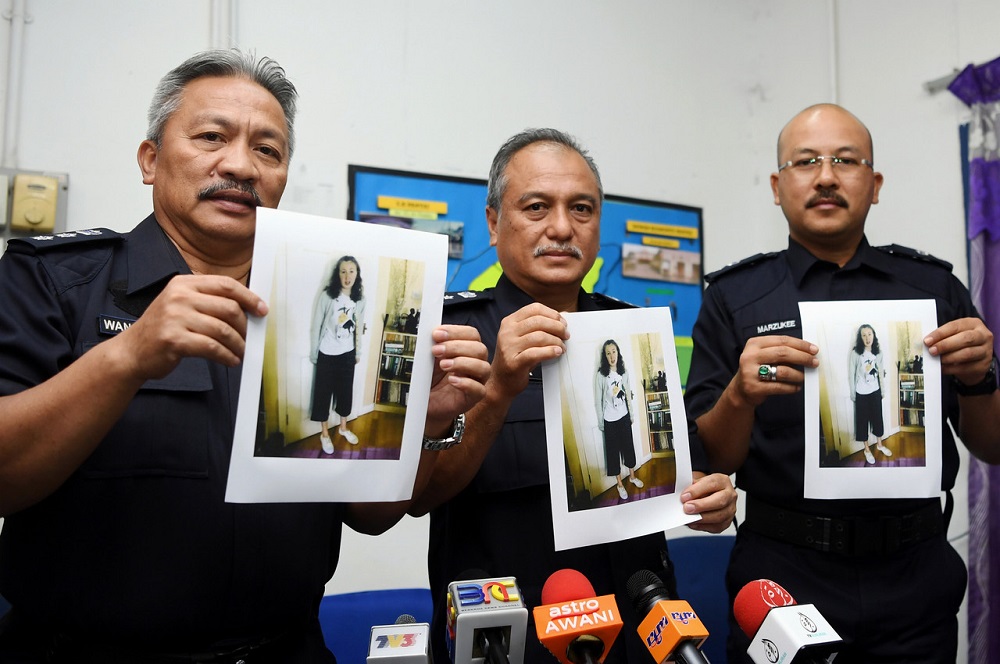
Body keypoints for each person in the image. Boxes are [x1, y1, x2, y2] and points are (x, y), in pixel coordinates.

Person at [0, 49, 490, 662]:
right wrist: (124, 357)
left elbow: (368, 514)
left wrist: (425, 418)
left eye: (267, 150)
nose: (239, 165)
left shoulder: (325, 304)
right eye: (211, 137)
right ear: (150, 159)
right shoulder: (55, 283)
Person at [684, 103, 1000, 662]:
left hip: (915, 578)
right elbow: (710, 457)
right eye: (806, 162)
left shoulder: (933, 289)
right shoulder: (733, 298)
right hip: (783, 574)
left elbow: (993, 446)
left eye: (845, 161)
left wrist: (980, 377)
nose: (826, 176)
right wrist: (739, 394)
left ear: (874, 185)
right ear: (778, 187)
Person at [409, 128, 738, 663]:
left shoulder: (636, 333)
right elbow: (417, 498)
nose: (562, 227)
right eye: (537, 207)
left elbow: (682, 474)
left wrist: (708, 498)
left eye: (581, 209)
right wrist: (496, 390)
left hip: (641, 629)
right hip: (505, 636)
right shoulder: (450, 338)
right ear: (493, 223)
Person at [311, 255, 366, 451]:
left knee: (345, 393)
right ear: (338, 274)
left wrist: (357, 351)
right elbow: (317, 324)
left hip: (347, 354)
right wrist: (314, 352)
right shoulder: (328, 296)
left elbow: (359, 327)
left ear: (357, 275)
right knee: (323, 394)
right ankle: (324, 433)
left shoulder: (359, 299)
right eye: (343, 271)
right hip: (327, 351)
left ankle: (343, 428)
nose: (347, 275)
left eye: (351, 271)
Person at [593, 339, 643, 500]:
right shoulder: (601, 375)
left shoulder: (624, 373)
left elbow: (627, 394)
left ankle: (632, 477)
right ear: (605, 356)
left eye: (614, 351)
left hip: (624, 416)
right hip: (609, 420)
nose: (611, 355)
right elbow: (598, 400)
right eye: (608, 353)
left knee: (628, 447)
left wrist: (632, 414)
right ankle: (620, 484)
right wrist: (601, 422)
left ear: (618, 353)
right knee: (613, 453)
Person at [848, 323, 888, 465]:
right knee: (862, 421)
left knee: (878, 418)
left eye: (869, 334)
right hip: (861, 393)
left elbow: (881, 374)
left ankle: (879, 444)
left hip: (875, 391)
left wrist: (882, 391)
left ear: (873, 335)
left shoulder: (878, 353)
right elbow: (851, 374)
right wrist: (853, 394)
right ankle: (866, 449)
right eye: (863, 335)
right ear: (860, 338)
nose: (867, 338)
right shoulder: (855, 353)